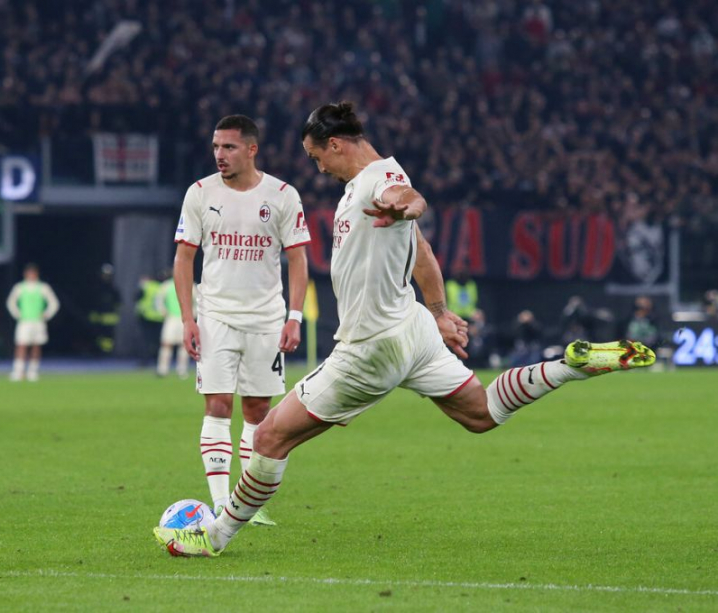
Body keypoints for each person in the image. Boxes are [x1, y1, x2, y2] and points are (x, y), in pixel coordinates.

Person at [154, 101, 655, 557]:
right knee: (482, 413)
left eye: (316, 156)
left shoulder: (377, 182)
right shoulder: (372, 179)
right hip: (414, 328)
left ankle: (215, 536)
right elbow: (423, 252)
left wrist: (409, 205)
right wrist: (438, 312)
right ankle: (570, 366)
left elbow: (409, 199)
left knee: (267, 438)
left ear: (335, 144)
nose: (318, 167)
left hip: (370, 348)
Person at [172, 114, 310, 525]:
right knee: (217, 403)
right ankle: (220, 502)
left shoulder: (282, 195)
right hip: (215, 315)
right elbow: (184, 258)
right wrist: (188, 318)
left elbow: (298, 259)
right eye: (216, 146)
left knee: (258, 410)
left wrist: (294, 316)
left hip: (266, 318)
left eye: (229, 147)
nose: (220, 154)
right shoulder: (199, 193)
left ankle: (247, 505)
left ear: (252, 149)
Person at [6, 263, 60, 382]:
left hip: (38, 322)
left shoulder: (43, 287)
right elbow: (11, 302)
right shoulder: (19, 287)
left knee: (36, 345)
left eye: (33, 273)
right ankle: (18, 371)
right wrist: (18, 314)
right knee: (21, 344)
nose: (31, 275)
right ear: (25, 274)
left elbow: (54, 303)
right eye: (29, 273)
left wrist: (46, 314)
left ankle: (32, 371)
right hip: (24, 321)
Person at [155, 270, 189, 379]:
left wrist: (191, 314)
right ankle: (162, 370)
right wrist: (163, 311)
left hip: (184, 319)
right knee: (166, 343)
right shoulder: (166, 286)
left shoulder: (189, 284)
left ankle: (182, 370)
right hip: (171, 319)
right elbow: (159, 300)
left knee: (184, 344)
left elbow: (197, 301)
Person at [89, 263, 121, 353]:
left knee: (108, 336)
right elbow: (93, 302)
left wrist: (116, 313)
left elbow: (118, 303)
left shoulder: (113, 289)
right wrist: (93, 314)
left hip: (109, 318)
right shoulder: (97, 288)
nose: (106, 277)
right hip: (97, 317)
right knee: (97, 335)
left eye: (108, 275)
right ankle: (97, 351)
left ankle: (106, 352)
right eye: (105, 275)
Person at [136, 274, 165, 361]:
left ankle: (145, 359)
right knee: (158, 339)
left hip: (146, 317)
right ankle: (157, 358)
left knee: (145, 340)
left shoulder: (146, 287)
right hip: (159, 317)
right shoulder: (161, 287)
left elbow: (136, 297)